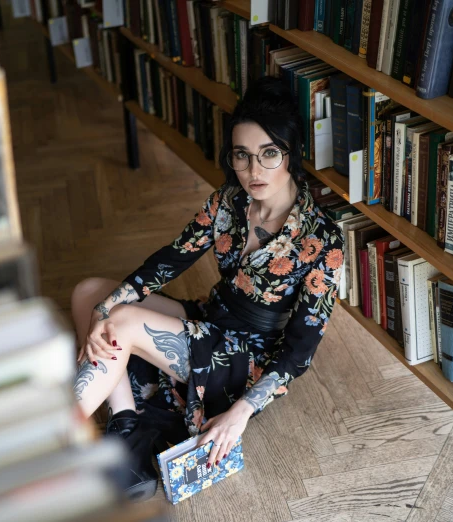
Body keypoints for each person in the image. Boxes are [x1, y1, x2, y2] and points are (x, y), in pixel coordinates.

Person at [70, 76, 344, 501]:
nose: (254, 170)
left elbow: (299, 351)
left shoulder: (323, 240)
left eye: (269, 154)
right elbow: (170, 259)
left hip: (245, 360)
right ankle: (126, 430)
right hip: (209, 318)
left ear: (291, 154)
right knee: (90, 294)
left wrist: (241, 413)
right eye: (242, 155)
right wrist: (103, 310)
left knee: (119, 320)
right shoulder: (228, 201)